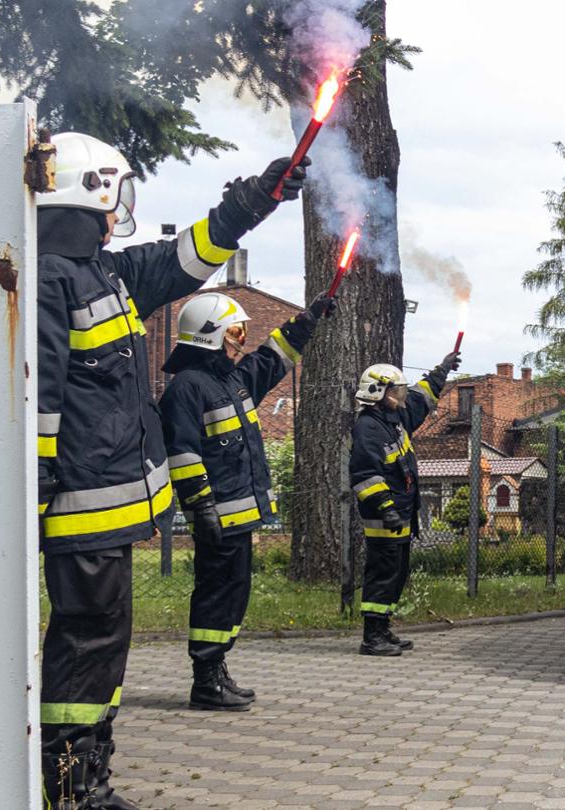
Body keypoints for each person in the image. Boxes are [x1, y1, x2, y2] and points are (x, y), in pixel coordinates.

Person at [35, 131, 304, 807]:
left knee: (104, 643)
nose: (119, 211)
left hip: (107, 510)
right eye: (116, 195)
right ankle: (70, 787)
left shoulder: (103, 274)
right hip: (80, 507)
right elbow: (38, 397)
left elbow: (184, 258)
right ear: (91, 190)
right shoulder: (48, 278)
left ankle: (90, 776)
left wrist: (255, 200)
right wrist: (33, 487)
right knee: (87, 641)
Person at [161, 291, 334, 710]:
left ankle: (216, 668)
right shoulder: (187, 388)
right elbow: (182, 454)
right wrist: (201, 508)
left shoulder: (231, 381)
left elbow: (271, 358)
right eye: (235, 332)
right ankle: (205, 679)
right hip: (217, 517)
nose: (241, 340)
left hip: (239, 517)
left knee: (234, 594)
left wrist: (307, 320)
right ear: (210, 335)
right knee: (216, 594)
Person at [349, 353, 459, 656]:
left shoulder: (394, 420)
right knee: (382, 574)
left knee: (396, 574)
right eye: (396, 391)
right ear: (378, 392)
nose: (401, 396)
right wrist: (386, 508)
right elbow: (365, 475)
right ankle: (372, 637)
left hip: (400, 514)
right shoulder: (368, 428)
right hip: (384, 518)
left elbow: (421, 397)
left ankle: (383, 628)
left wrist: (442, 370)